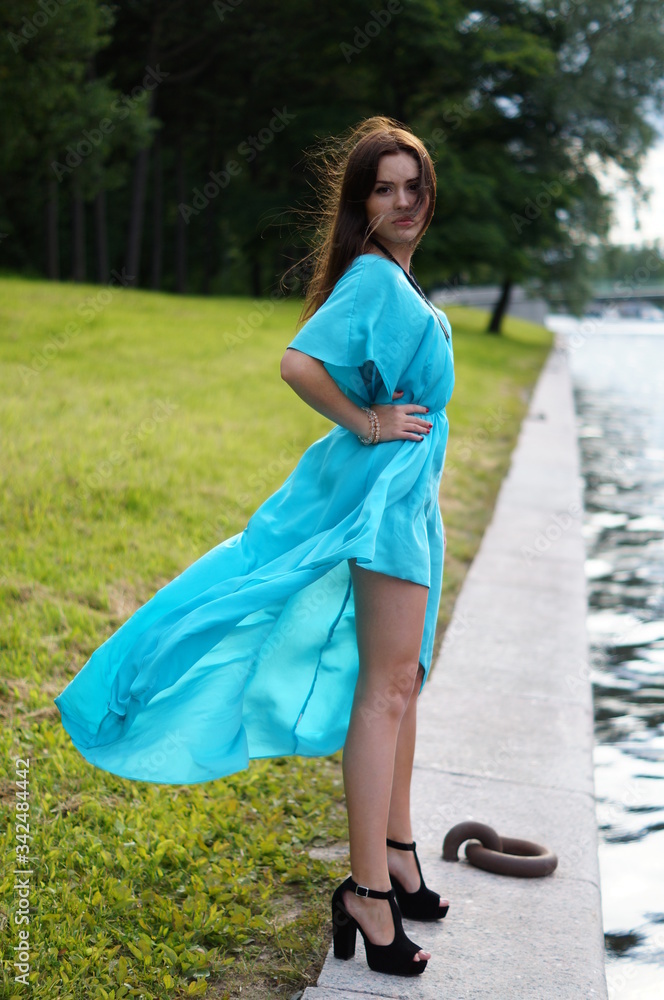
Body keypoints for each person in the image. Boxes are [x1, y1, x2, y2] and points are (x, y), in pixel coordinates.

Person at [54, 116, 455, 980]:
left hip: (406, 501)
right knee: (387, 692)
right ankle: (368, 897)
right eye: (382, 188)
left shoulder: (398, 283)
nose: (401, 201)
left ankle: (399, 855)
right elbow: (296, 363)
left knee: (401, 680)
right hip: (383, 503)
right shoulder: (376, 282)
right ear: (362, 203)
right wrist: (368, 422)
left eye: (412, 185)